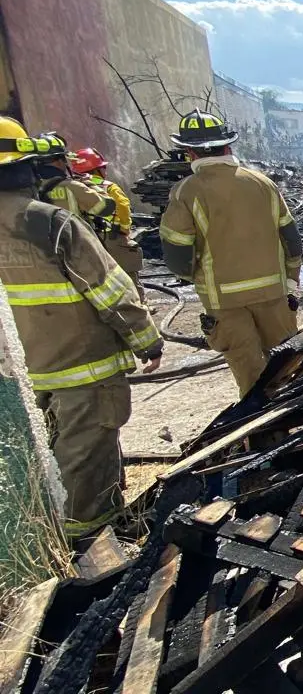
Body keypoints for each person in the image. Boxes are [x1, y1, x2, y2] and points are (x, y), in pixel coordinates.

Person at [0, 116, 163, 538]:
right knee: (86, 456)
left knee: (48, 453)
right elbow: (110, 291)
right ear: (27, 168)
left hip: (24, 375)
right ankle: (91, 541)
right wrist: (147, 341)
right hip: (83, 366)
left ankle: (56, 527)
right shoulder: (48, 222)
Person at [161, 110, 303, 397]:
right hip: (273, 295)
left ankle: (265, 422)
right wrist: (291, 281)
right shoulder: (263, 183)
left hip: (225, 303)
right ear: (227, 146)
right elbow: (292, 241)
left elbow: (178, 258)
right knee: (289, 366)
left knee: (252, 380)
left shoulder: (185, 192)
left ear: (190, 153)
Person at [69, 147, 144, 300]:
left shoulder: (72, 187)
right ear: (98, 169)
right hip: (112, 237)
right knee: (127, 273)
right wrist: (125, 228)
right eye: (103, 167)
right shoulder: (108, 186)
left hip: (85, 239)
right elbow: (122, 205)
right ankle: (139, 303)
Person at [33, 133, 117, 239]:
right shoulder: (73, 187)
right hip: (75, 244)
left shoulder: (29, 188)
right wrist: (88, 182)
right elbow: (107, 207)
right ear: (59, 161)